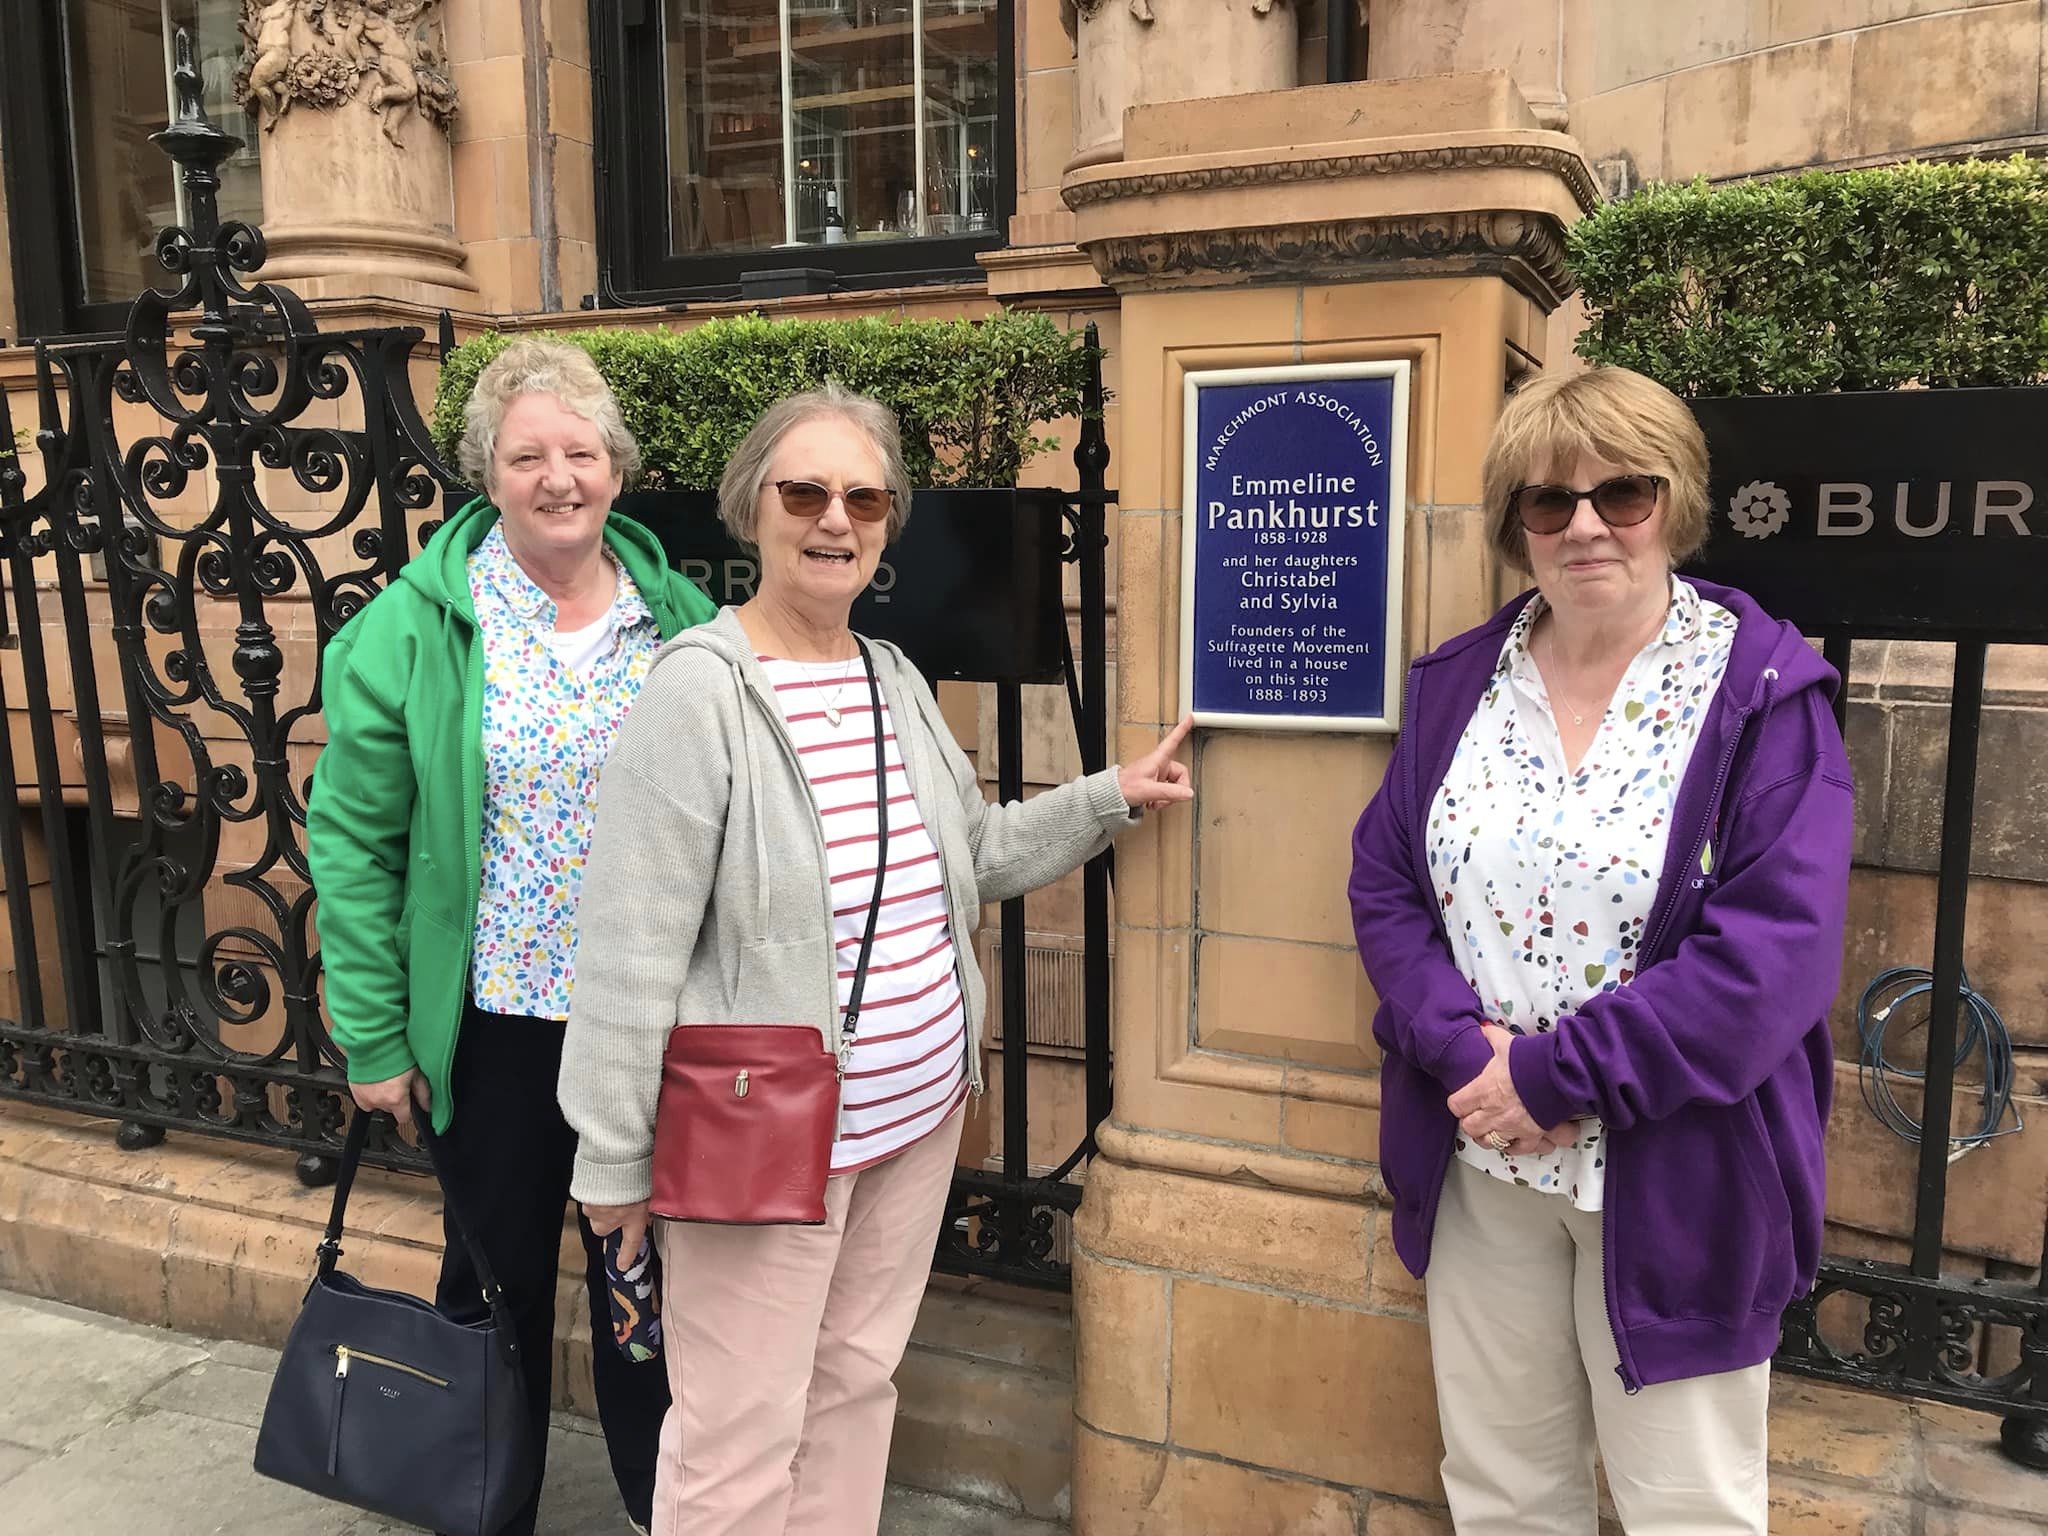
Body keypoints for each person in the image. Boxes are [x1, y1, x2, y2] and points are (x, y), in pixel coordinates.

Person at [558, 382, 1195, 1536]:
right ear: (754, 509)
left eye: (863, 498)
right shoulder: (697, 695)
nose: (833, 519)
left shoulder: (889, 677)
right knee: (736, 1435)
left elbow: (978, 854)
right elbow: (626, 948)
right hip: (768, 1142)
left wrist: (1108, 798)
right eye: (804, 492)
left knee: (853, 1389)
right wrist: (611, 1166)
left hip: (914, 1120)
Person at [1348, 366, 1853, 1534]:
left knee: (1686, 1505)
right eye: (1546, 502)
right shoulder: (1456, 687)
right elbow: (1384, 883)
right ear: (1513, 525)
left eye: (1620, 494)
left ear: (1671, 506)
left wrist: (1549, 1079)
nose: (1583, 525)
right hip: (1480, 1159)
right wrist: (1459, 1055)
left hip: (1675, 1168)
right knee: (1503, 1493)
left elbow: (1768, 959)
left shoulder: (1761, 697)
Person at [307, 338, 718, 1536]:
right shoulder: (411, 631)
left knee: (645, 1285)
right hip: (494, 1031)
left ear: (615, 470)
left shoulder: (677, 617)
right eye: (526, 453)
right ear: (485, 471)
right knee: (493, 1285)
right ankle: (484, 1506)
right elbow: (354, 845)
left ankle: (665, 1506)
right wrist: (373, 1034)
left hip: (647, 1026)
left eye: (580, 452)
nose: (557, 477)